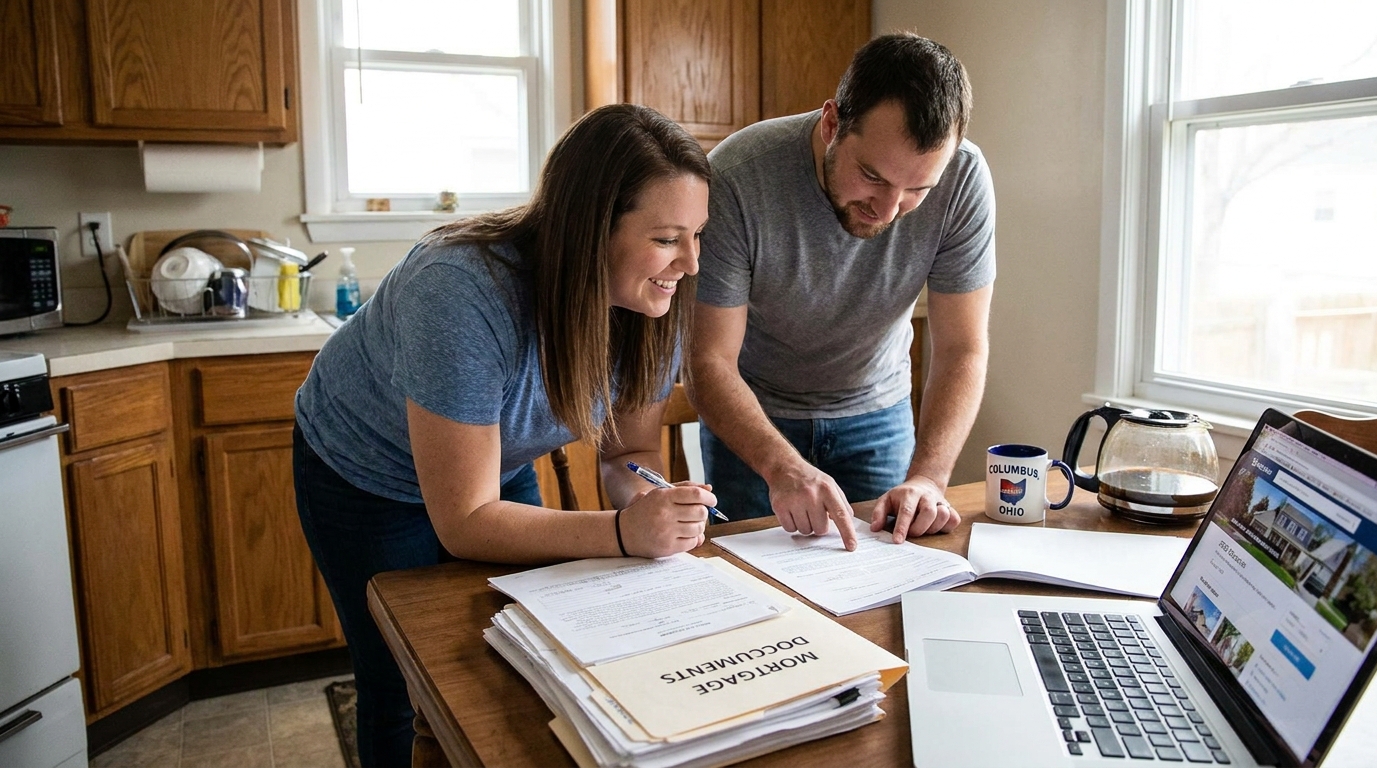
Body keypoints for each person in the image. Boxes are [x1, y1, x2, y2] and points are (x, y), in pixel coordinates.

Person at [292, 103, 716, 768]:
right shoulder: (460, 291)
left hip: (489, 465)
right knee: (403, 681)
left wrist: (641, 501)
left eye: (698, 235)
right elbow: (465, 521)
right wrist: (622, 535)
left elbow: (629, 454)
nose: (690, 263)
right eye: (667, 238)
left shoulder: (652, 301)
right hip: (362, 472)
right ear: (589, 230)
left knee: (505, 655)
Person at [687, 33, 995, 550]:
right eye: (872, 176)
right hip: (756, 420)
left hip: (879, 416)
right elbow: (708, 361)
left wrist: (928, 478)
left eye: (918, 189)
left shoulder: (963, 179)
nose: (889, 209)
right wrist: (782, 466)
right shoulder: (738, 177)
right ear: (832, 124)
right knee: (750, 595)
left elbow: (963, 346)